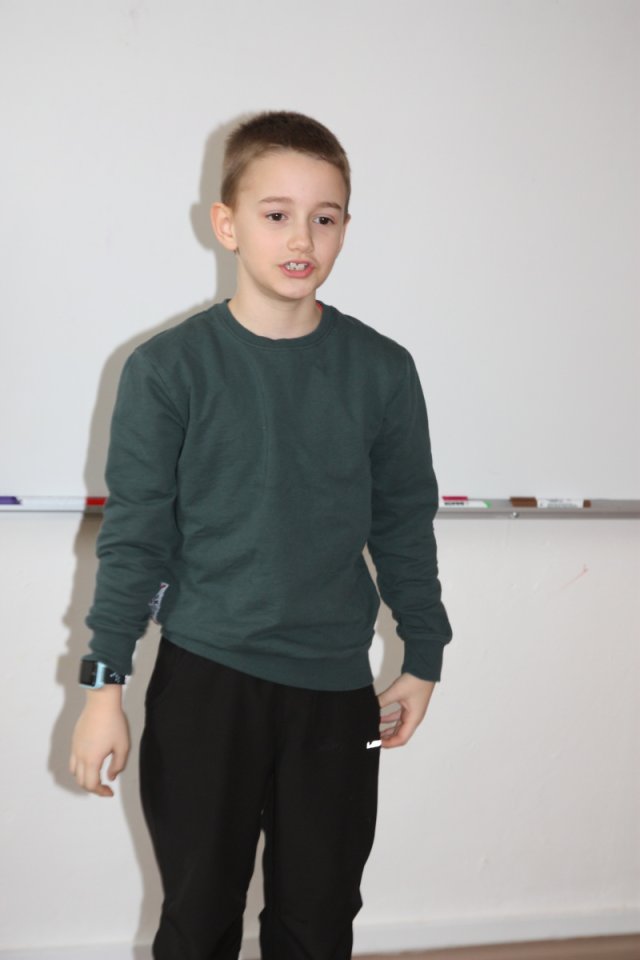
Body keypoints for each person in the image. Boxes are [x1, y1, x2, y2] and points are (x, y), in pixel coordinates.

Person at [70, 110, 453, 960]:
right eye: (277, 214)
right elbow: (135, 540)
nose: (302, 238)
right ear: (227, 223)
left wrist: (424, 655)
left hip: (335, 694)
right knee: (198, 918)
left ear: (346, 227)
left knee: (318, 924)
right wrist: (103, 689)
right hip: (205, 687)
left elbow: (403, 524)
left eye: (326, 217)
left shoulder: (383, 371)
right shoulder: (167, 369)